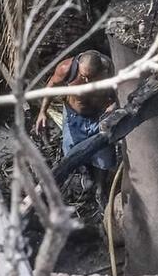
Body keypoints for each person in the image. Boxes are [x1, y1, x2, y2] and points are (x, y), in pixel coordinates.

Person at [35, 49, 117, 182]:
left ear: (101, 70)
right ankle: (85, 174)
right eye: (83, 75)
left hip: (99, 117)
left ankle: (100, 189)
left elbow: (117, 92)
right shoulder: (66, 69)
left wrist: (113, 106)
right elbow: (50, 86)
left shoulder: (108, 71)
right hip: (74, 117)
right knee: (73, 153)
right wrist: (42, 112)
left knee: (104, 157)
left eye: (91, 77)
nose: (86, 80)